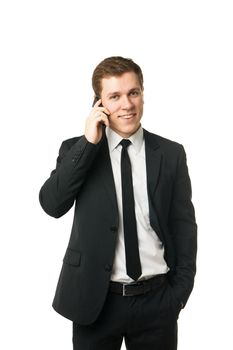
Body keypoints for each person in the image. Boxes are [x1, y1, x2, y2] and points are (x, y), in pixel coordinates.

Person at [39, 56, 197, 350]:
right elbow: (52, 204)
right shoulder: (77, 149)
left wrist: (179, 293)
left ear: (142, 94)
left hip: (157, 302)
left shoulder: (171, 154)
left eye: (133, 93)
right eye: (115, 96)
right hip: (95, 303)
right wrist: (88, 143)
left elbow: (184, 227)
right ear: (98, 104)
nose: (127, 104)